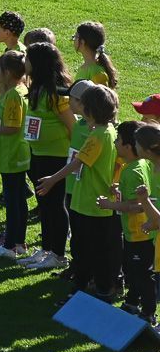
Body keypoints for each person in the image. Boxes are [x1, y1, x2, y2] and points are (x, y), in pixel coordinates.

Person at [37, 83, 121, 297]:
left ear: (90, 108)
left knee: (86, 250)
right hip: (91, 201)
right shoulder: (107, 131)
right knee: (90, 249)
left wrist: (52, 180)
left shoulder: (98, 135)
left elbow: (77, 163)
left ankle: (85, 291)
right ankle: (93, 288)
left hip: (90, 202)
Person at [23, 40, 75, 271]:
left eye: (28, 58)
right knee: (43, 203)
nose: (25, 62)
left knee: (55, 204)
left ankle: (58, 254)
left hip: (56, 157)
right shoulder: (36, 87)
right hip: (37, 153)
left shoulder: (58, 93)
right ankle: (46, 249)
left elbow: (73, 127)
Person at [102, 123, 159, 321]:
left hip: (139, 233)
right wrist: (119, 192)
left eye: (119, 140)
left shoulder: (133, 171)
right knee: (133, 271)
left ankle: (149, 312)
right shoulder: (141, 165)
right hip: (138, 231)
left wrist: (109, 205)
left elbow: (136, 206)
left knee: (142, 274)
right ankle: (132, 302)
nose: (116, 143)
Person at [0, 49, 32, 258]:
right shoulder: (17, 91)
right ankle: (19, 243)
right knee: (18, 199)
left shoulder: (13, 95)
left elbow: (12, 127)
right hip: (14, 153)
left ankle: (10, 245)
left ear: (8, 73)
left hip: (12, 154)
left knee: (13, 201)